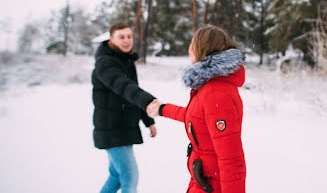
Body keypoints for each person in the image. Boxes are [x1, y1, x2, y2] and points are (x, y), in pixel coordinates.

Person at [147, 25, 247, 193]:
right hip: (203, 180)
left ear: (200, 49)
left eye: (192, 44)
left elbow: (231, 158)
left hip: (214, 185)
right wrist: (162, 109)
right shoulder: (209, 87)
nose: (189, 49)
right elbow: (194, 116)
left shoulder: (217, 93)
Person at [91, 23, 157, 193]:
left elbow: (131, 92)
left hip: (123, 127)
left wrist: (148, 120)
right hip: (112, 129)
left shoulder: (125, 61)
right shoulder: (105, 63)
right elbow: (124, 86)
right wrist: (149, 101)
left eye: (129, 36)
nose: (127, 40)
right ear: (111, 39)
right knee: (129, 177)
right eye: (121, 37)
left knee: (116, 177)